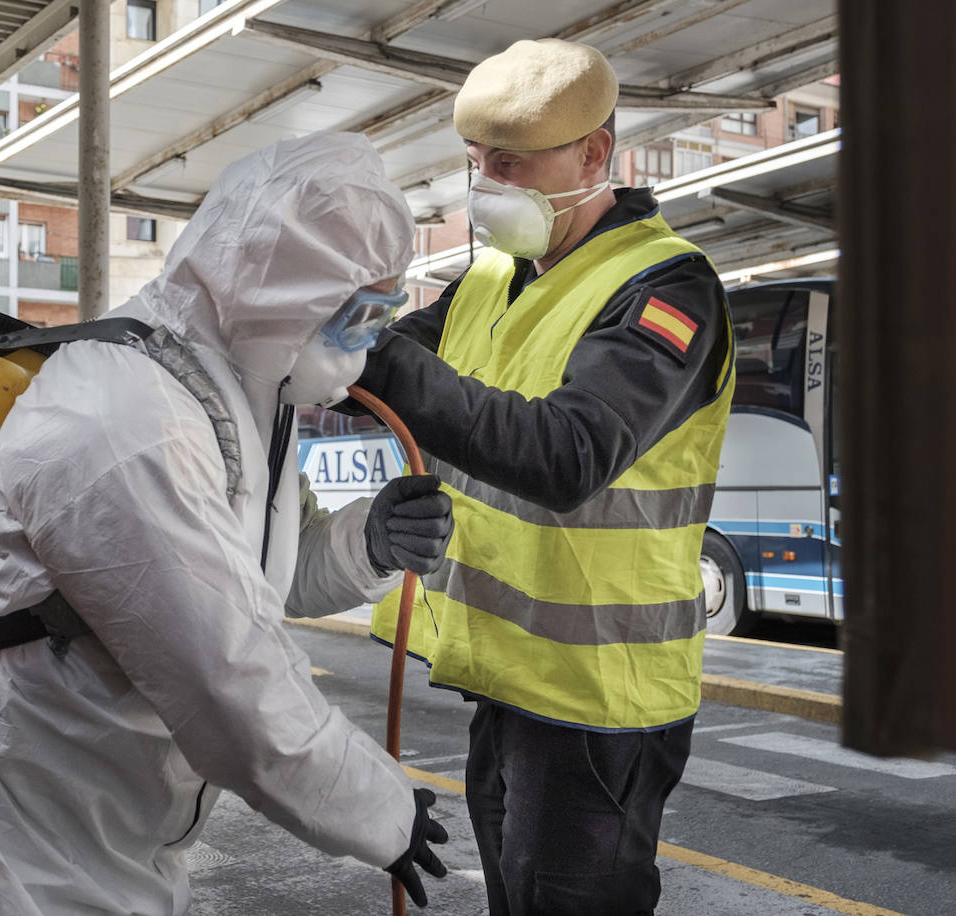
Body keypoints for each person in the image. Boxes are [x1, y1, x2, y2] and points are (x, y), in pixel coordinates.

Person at [0, 132, 452, 915]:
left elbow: (256, 580)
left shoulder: (239, 395)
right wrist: (382, 810)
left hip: (97, 831)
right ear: (284, 289)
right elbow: (228, 680)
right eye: (358, 314)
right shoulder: (126, 414)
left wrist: (362, 542)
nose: (364, 346)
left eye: (383, 315)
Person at [343, 39, 736, 915]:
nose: (485, 186)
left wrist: (374, 359)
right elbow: (366, 380)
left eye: (509, 164)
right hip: (512, 683)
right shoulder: (490, 277)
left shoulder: (666, 289)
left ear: (593, 154)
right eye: (476, 163)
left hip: (602, 699)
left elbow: (568, 456)